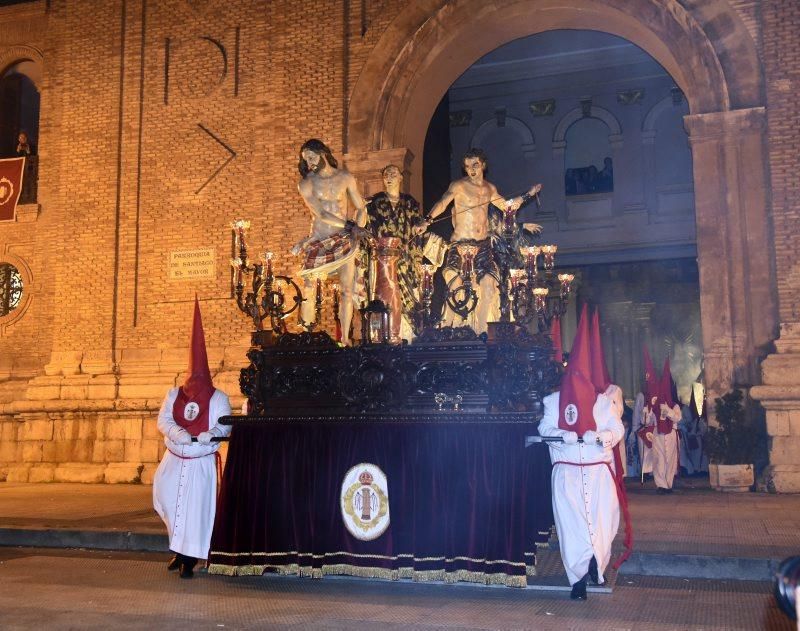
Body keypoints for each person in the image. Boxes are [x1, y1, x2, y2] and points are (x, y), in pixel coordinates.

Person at [538, 305, 626, 600]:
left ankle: (596, 565)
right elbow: (545, 429)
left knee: (603, 523)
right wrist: (562, 434)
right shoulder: (552, 402)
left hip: (598, 473)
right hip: (567, 475)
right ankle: (576, 578)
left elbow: (617, 430)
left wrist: (599, 437)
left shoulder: (603, 403)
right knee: (571, 526)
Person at [416, 148, 541, 333]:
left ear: (483, 164)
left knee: (489, 287)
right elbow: (442, 203)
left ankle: (483, 333)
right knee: (455, 285)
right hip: (460, 245)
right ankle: (451, 330)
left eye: (474, 165)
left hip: (482, 246)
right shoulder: (458, 186)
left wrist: (528, 195)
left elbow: (507, 207)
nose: (471, 169)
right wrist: (427, 219)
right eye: (467, 166)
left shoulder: (490, 189)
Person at [153, 298, 232, 578]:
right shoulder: (174, 394)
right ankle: (178, 548)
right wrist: (180, 434)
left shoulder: (219, 398)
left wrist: (208, 435)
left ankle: (188, 558)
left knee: (195, 511)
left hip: (200, 462)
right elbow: (164, 419)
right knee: (167, 500)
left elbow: (225, 425)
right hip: (174, 459)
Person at [293, 139, 367, 345]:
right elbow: (321, 213)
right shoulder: (306, 183)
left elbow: (361, 207)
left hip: (345, 239)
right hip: (320, 237)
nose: (309, 163)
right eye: (305, 160)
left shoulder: (345, 178)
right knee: (309, 285)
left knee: (347, 290)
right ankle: (307, 336)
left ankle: (344, 339)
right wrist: (351, 226)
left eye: (311, 157)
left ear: (323, 153)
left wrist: (357, 232)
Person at [365, 164, 425, 340]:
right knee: (384, 292)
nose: (389, 177)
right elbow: (366, 227)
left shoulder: (410, 202)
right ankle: (382, 334)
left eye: (393, 173)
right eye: (386, 174)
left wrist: (419, 226)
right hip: (382, 258)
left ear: (400, 178)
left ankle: (405, 335)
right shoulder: (375, 202)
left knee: (406, 293)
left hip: (404, 258)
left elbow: (416, 225)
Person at [644, 358, 682, 493]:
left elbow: (677, 417)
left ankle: (669, 484)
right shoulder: (653, 405)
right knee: (659, 459)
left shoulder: (674, 405)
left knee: (670, 460)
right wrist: (649, 409)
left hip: (670, 434)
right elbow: (647, 422)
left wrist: (668, 410)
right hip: (658, 434)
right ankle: (661, 485)